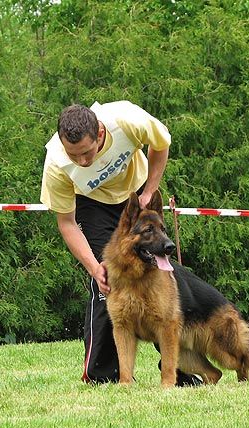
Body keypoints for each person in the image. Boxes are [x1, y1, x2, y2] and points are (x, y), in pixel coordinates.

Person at [40, 101, 201, 386]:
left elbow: (161, 143)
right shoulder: (56, 165)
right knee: (108, 281)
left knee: (160, 272)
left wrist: (150, 190)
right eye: (74, 155)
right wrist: (94, 268)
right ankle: (103, 375)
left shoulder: (127, 120)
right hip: (94, 205)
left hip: (136, 193)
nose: (83, 162)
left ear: (100, 134)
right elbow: (66, 223)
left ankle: (179, 372)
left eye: (87, 152)